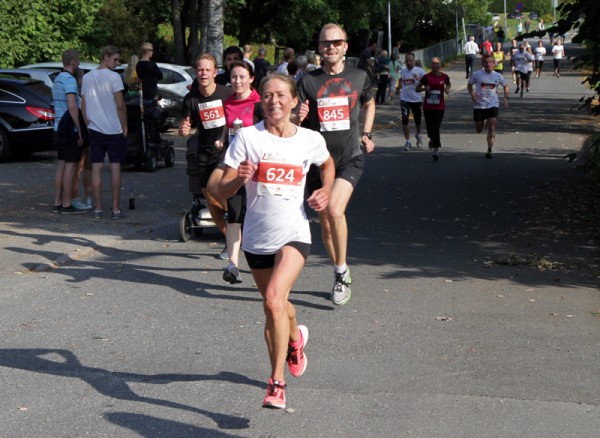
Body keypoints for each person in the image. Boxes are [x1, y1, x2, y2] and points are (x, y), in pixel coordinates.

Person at [216, 73, 334, 409]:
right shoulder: (247, 139)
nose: (274, 101)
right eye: (267, 95)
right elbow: (220, 191)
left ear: (294, 101)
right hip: (256, 238)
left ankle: (276, 383)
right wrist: (237, 180)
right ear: (260, 100)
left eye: (281, 95)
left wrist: (324, 190)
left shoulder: (309, 140)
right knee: (277, 307)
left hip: (294, 233)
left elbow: (327, 164)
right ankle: (295, 338)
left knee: (272, 300)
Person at [297, 23, 375, 305]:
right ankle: (339, 269)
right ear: (319, 48)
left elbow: (369, 103)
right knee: (325, 222)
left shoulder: (359, 76)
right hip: (317, 162)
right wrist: (299, 114)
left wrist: (366, 134)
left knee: (334, 208)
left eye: (336, 42)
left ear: (345, 46)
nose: (330, 47)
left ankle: (341, 274)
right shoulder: (308, 81)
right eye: (325, 43)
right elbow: (296, 118)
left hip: (349, 158)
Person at [210, 61, 263, 284]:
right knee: (234, 213)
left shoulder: (259, 102)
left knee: (259, 214)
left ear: (251, 78)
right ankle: (233, 265)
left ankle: (266, 259)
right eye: (233, 77)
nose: (237, 81)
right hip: (235, 165)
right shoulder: (228, 102)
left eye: (242, 77)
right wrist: (222, 139)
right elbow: (228, 126)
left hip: (258, 167)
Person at [179, 53, 233, 242]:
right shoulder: (190, 99)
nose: (203, 73)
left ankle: (237, 222)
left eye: (207, 70)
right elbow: (186, 126)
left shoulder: (226, 94)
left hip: (225, 151)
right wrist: (183, 130)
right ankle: (230, 236)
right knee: (210, 200)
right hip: (204, 152)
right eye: (200, 70)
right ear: (196, 72)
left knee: (217, 190)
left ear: (215, 73)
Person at [81, 45, 128, 220]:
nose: (117, 63)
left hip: (94, 128)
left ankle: (98, 208)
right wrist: (125, 126)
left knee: (96, 167)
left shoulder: (87, 77)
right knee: (115, 167)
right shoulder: (114, 77)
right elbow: (120, 104)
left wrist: (88, 124)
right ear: (106, 57)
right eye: (115, 59)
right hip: (114, 128)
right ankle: (115, 208)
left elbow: (83, 105)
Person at [51, 49, 87, 215]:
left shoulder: (57, 79)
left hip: (58, 127)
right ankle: (66, 203)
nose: (79, 63)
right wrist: (79, 129)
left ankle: (58, 201)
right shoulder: (70, 80)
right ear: (73, 62)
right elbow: (72, 106)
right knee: (71, 166)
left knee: (61, 164)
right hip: (70, 129)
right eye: (78, 60)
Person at [467, 53, 510, 159]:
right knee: (478, 129)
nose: (488, 64)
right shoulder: (477, 74)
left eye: (490, 62)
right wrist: (472, 94)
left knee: (492, 126)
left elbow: (506, 85)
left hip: (492, 104)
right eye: (486, 62)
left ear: (494, 64)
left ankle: (489, 149)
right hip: (479, 105)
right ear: (483, 63)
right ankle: (484, 121)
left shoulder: (498, 76)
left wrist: (505, 97)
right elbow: (469, 85)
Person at [416, 57, 450, 161]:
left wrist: (447, 89)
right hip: (428, 106)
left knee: (436, 127)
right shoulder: (426, 77)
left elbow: (448, 83)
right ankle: (431, 139)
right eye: (433, 63)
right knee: (430, 129)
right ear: (431, 65)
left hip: (440, 107)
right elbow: (417, 88)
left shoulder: (444, 77)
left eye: (437, 64)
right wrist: (424, 88)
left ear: (440, 65)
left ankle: (436, 150)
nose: (435, 65)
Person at [398, 52, 426, 151]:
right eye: (407, 61)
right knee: (405, 119)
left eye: (411, 60)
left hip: (416, 99)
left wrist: (419, 78)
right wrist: (398, 88)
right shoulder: (403, 71)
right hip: (404, 99)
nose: (409, 62)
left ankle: (418, 135)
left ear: (414, 61)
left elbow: (427, 83)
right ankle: (408, 141)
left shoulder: (420, 71)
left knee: (417, 120)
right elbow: (401, 80)